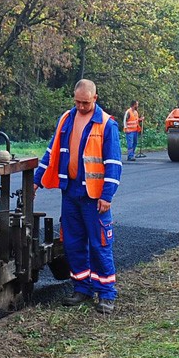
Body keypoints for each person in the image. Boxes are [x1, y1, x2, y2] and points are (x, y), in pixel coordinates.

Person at [35, 79, 122, 314]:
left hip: (94, 197)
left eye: (85, 102)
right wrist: (37, 179)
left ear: (95, 98)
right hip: (71, 192)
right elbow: (52, 151)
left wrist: (107, 195)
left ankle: (106, 294)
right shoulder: (66, 119)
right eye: (77, 102)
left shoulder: (106, 125)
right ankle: (82, 288)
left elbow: (114, 163)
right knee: (72, 243)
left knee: (100, 244)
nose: (81, 106)